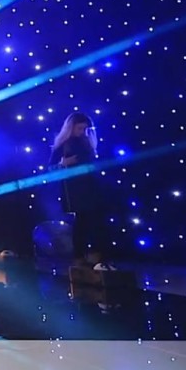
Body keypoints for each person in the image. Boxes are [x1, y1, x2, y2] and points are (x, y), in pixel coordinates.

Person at [49, 111, 114, 269]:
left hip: (90, 184)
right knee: (82, 222)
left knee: (97, 221)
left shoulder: (87, 142)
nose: (82, 132)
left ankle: (97, 256)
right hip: (75, 188)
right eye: (80, 128)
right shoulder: (64, 144)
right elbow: (51, 168)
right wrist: (63, 164)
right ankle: (79, 257)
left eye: (85, 129)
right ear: (71, 128)